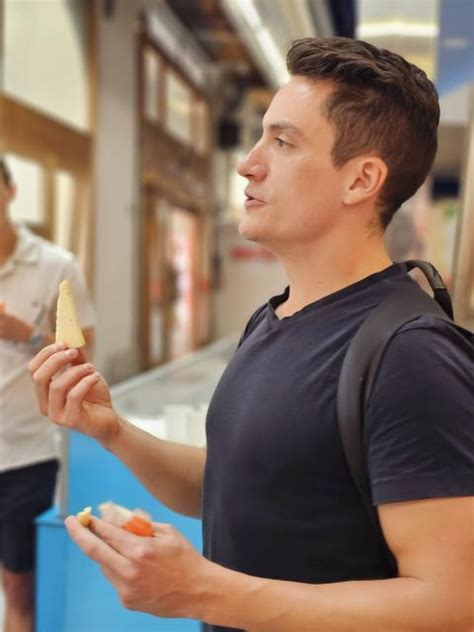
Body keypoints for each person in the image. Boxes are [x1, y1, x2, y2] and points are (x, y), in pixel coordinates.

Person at [29, 37, 473, 632]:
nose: (248, 163)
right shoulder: (273, 317)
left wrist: (206, 592)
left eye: (283, 142)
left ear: (361, 179)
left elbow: (451, 603)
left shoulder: (410, 352)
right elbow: (236, 484)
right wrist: (113, 431)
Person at [0, 158, 95, 632]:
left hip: (26, 454)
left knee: (20, 590)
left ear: (10, 190)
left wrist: (25, 333)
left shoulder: (55, 266)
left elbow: (82, 355)